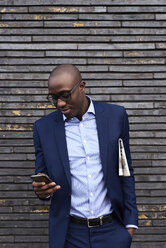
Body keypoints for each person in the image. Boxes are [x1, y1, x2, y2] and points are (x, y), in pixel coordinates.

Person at [32, 64, 138, 248]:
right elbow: (42, 177)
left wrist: (129, 226)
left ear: (81, 87)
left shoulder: (115, 116)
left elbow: (125, 170)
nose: (60, 104)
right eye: (54, 98)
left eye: (65, 95)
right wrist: (43, 191)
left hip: (112, 231)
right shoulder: (43, 128)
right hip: (70, 234)